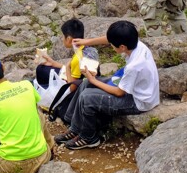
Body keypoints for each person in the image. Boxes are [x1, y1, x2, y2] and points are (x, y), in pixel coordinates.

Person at [55, 20, 160, 150]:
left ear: (122, 47)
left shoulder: (134, 66)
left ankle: (89, 138)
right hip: (135, 88)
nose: (110, 45)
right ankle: (75, 128)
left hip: (139, 101)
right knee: (86, 83)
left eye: (112, 45)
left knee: (87, 97)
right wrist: (86, 42)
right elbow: (110, 38)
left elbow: (119, 92)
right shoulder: (135, 43)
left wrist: (94, 81)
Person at [35, 18, 99, 119]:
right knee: (45, 68)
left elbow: (72, 86)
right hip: (82, 80)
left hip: (74, 88)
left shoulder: (78, 58)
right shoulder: (88, 49)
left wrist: (67, 69)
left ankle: (44, 88)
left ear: (68, 39)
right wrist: (54, 63)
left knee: (41, 70)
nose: (62, 39)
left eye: (63, 36)